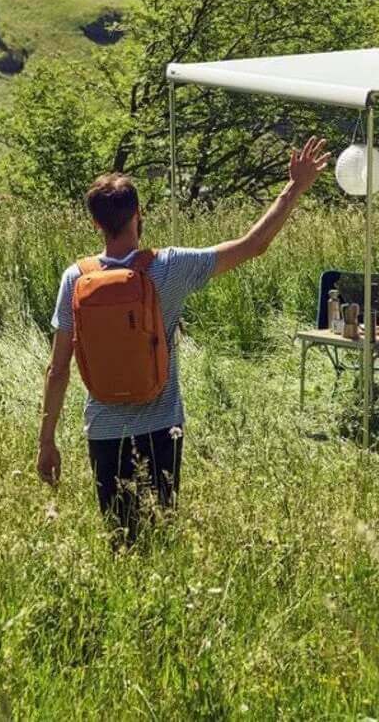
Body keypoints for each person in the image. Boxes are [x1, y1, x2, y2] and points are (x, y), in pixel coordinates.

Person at [37, 137, 331, 545]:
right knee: (160, 535)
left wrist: (46, 440)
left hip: (104, 430)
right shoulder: (168, 267)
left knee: (122, 541)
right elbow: (253, 245)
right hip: (162, 428)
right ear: (138, 214)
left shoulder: (75, 279)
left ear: (95, 223)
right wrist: (295, 186)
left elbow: (58, 369)